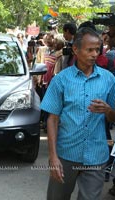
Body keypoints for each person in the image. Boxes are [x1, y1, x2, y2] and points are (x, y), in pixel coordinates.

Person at [41, 27, 115, 200]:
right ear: (75, 49)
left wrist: (108, 110)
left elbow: (113, 116)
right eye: (90, 50)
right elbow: (52, 119)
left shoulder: (109, 79)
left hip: (96, 155)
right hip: (66, 154)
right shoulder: (61, 80)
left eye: (98, 49)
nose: (95, 54)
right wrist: (53, 156)